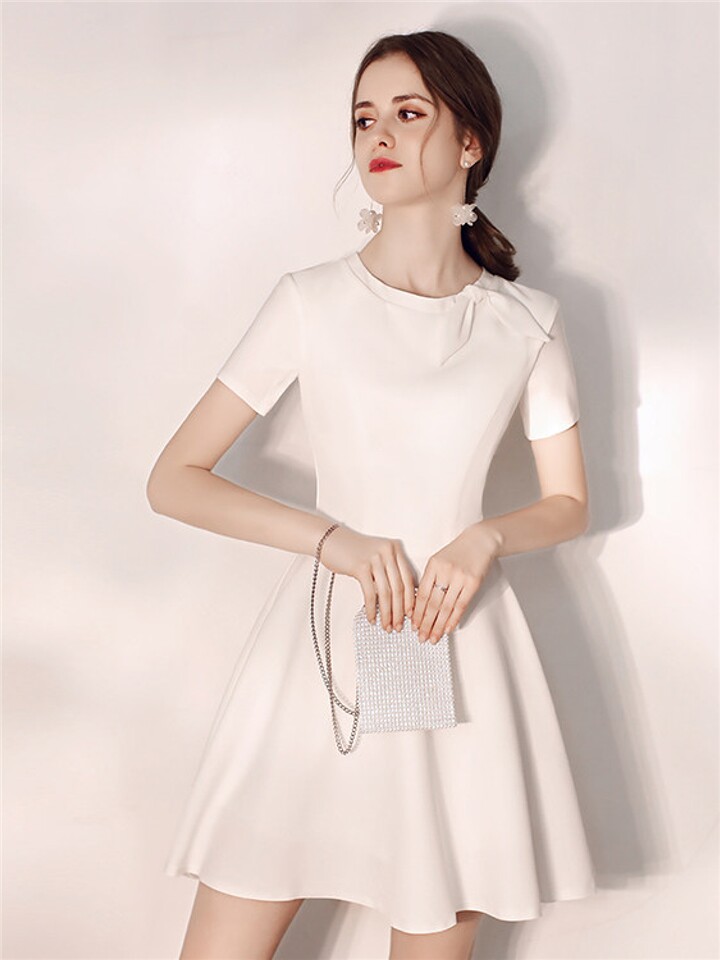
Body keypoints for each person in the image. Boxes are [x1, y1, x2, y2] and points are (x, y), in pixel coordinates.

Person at [147, 29, 596, 960]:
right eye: (362, 118)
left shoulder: (528, 323)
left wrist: (484, 539)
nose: (378, 135)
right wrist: (333, 541)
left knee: (435, 910)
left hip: (455, 644)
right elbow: (174, 480)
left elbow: (569, 504)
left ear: (470, 142)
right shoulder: (309, 300)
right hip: (321, 648)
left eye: (407, 112)